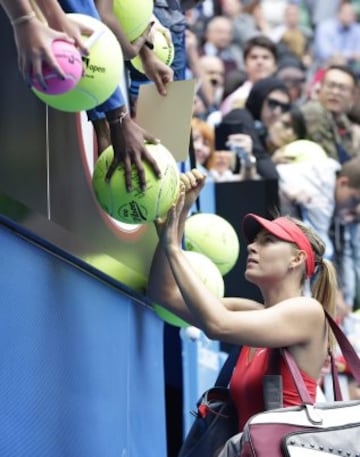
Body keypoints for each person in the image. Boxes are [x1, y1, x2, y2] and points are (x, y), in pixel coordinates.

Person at [147, 168, 337, 438]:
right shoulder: (252, 313)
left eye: (268, 241)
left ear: (296, 259)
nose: (251, 247)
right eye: (254, 241)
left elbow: (217, 325)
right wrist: (180, 216)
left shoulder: (307, 311)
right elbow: (162, 294)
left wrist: (174, 249)